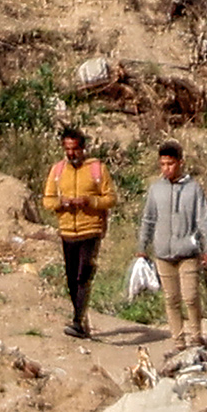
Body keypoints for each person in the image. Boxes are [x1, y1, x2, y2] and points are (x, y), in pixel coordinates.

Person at [139, 139, 207, 352]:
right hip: (163, 254)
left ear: (180, 163)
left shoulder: (194, 189)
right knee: (171, 299)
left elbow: (204, 219)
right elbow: (148, 219)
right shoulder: (156, 190)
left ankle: (196, 337)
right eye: (162, 164)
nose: (166, 168)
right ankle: (178, 342)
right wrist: (142, 246)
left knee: (190, 297)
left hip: (188, 253)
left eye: (170, 164)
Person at [41, 126, 115, 339]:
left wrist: (90, 201)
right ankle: (80, 319)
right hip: (67, 231)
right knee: (71, 277)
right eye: (67, 149)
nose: (71, 153)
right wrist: (61, 203)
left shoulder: (97, 169)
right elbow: (47, 200)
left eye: (75, 149)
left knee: (84, 275)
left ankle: (78, 322)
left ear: (83, 148)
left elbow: (111, 198)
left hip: (91, 229)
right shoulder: (57, 171)